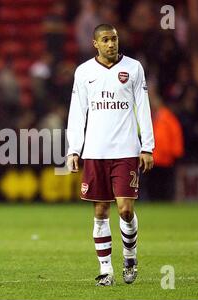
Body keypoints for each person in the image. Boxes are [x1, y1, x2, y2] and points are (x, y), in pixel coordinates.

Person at [66, 24, 154, 286]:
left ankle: (129, 256)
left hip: (126, 150)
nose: (111, 44)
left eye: (114, 39)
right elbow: (77, 112)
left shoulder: (134, 68)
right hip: (95, 151)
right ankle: (106, 270)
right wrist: (74, 149)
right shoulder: (84, 72)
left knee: (125, 210)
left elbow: (143, 107)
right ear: (95, 43)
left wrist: (147, 146)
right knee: (101, 210)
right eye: (105, 40)